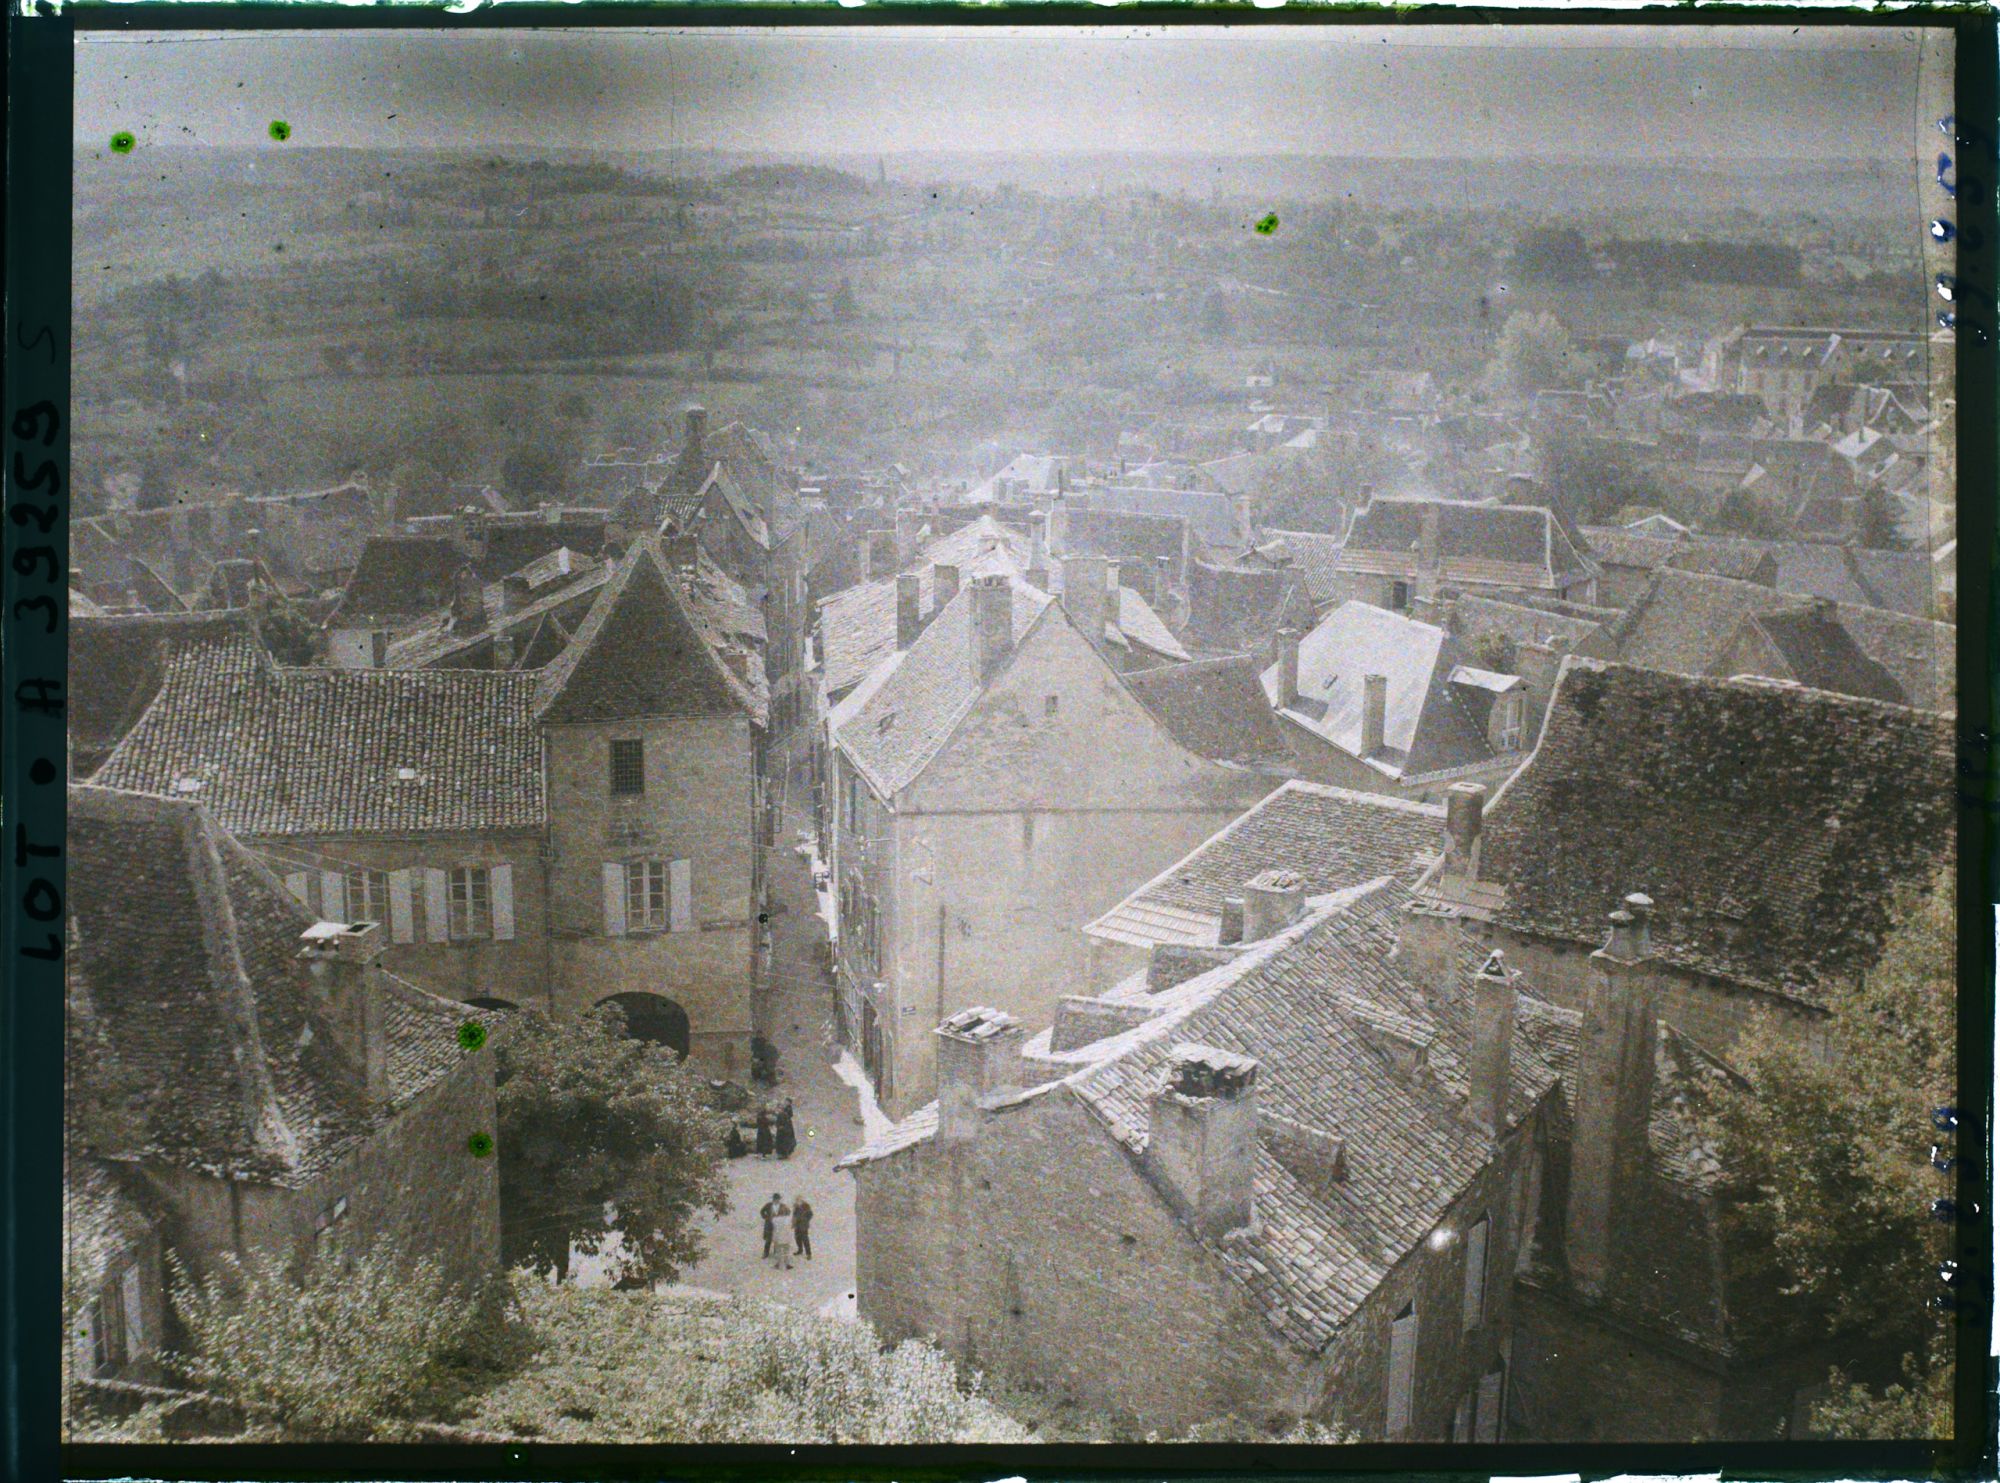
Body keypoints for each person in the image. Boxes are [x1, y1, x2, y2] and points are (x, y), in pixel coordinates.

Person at [768, 1196, 793, 1270]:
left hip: (778, 1237)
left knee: (779, 1252)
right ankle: (787, 1264)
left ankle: (779, 1264)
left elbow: (773, 1223)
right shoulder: (789, 1219)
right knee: (786, 1251)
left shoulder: (775, 1219)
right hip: (787, 1237)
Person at [759, 1193, 781, 1259]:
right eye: (775, 1199)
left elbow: (787, 1212)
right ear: (773, 1199)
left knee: (776, 1239)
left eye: (778, 1199)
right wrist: (766, 1217)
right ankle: (766, 1253)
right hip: (769, 1224)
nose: (776, 1200)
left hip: (778, 1225)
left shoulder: (782, 1206)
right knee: (768, 1239)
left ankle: (776, 1252)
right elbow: (762, 1211)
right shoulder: (768, 1205)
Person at [791, 1197, 814, 1262]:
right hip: (797, 1226)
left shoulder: (806, 1206)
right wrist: (793, 1223)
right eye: (797, 1200)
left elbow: (810, 1214)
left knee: (805, 1240)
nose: (798, 1202)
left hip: (803, 1226)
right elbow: (794, 1216)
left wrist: (805, 1220)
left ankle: (808, 1254)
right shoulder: (796, 1207)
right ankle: (800, 1250)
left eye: (799, 1200)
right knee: (797, 1238)